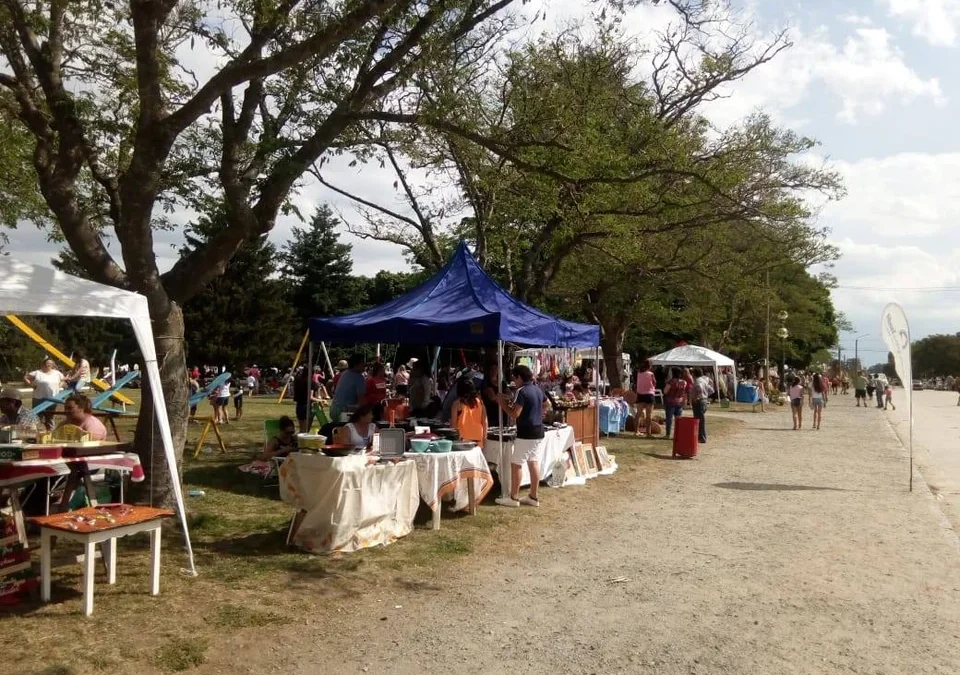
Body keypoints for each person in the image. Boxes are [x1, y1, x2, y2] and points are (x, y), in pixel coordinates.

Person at [496, 365, 544, 508]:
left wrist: (502, 404)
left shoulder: (521, 391)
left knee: (516, 464)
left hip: (526, 433)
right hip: (538, 430)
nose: (513, 381)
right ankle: (533, 496)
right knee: (533, 462)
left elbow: (515, 413)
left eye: (514, 378)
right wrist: (536, 414)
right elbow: (546, 404)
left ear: (519, 377)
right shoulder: (537, 389)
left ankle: (514, 497)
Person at [25, 358, 65, 430]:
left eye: (50, 363)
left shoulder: (57, 373)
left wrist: (59, 386)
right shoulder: (37, 372)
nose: (48, 364)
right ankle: (34, 432)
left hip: (53, 399)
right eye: (47, 363)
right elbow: (26, 377)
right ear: (44, 364)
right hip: (38, 398)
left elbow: (63, 380)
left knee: (50, 416)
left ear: (53, 365)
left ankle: (51, 432)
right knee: (36, 416)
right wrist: (31, 385)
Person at [330, 353, 367, 423]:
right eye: (363, 363)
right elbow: (361, 401)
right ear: (356, 364)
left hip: (333, 409)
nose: (364, 366)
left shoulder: (345, 373)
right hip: (344, 412)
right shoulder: (358, 377)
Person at [450, 376, 487, 444]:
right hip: (478, 438)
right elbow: (484, 422)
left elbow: (453, 425)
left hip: (463, 439)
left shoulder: (457, 403)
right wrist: (484, 437)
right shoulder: (480, 402)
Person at [662, 367, 689, 439]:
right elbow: (685, 392)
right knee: (678, 419)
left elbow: (665, 391)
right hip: (679, 402)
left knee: (669, 419)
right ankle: (677, 434)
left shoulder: (671, 382)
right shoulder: (684, 382)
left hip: (670, 402)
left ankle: (668, 434)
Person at [293, 367, 323, 432]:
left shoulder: (298, 381)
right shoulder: (311, 383)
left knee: (302, 429)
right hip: (307, 407)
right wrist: (321, 400)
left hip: (299, 406)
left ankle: (298, 441)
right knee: (306, 430)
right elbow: (310, 397)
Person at [634, 359, 656, 437]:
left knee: (638, 414)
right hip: (649, 394)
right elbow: (654, 383)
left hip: (640, 394)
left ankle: (636, 431)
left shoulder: (639, 373)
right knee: (649, 415)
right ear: (650, 366)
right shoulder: (651, 374)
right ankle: (648, 433)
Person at [692, 368, 713, 443]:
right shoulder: (704, 380)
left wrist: (695, 397)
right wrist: (705, 396)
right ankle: (699, 437)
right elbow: (711, 390)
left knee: (699, 421)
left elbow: (699, 389)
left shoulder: (698, 380)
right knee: (701, 420)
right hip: (704, 400)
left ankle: (701, 438)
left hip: (699, 401)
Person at [482, 362, 505, 428]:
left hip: (502, 413)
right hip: (491, 413)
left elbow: (511, 395)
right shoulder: (486, 383)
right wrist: (504, 397)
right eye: (491, 369)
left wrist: (499, 395)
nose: (493, 371)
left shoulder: (502, 383)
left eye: (495, 369)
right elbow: (492, 397)